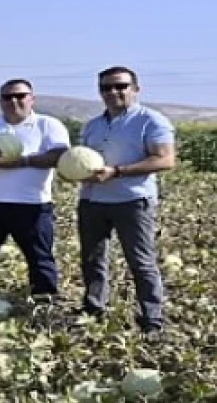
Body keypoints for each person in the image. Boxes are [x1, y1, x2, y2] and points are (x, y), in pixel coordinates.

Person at [75, 66, 175, 332]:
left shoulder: (151, 120)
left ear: (135, 89)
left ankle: (151, 319)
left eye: (121, 86)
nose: (113, 92)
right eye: (107, 88)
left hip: (132, 201)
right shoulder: (93, 125)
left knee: (141, 261)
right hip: (93, 200)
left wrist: (117, 172)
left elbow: (164, 159)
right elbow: (82, 159)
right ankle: (94, 310)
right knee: (92, 259)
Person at [0, 79, 69, 304]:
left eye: (20, 96)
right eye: (8, 97)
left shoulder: (48, 125)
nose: (14, 101)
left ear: (32, 99)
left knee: (39, 256)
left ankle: (44, 298)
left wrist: (23, 161)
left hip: (33, 205)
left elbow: (59, 157)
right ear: (0, 102)